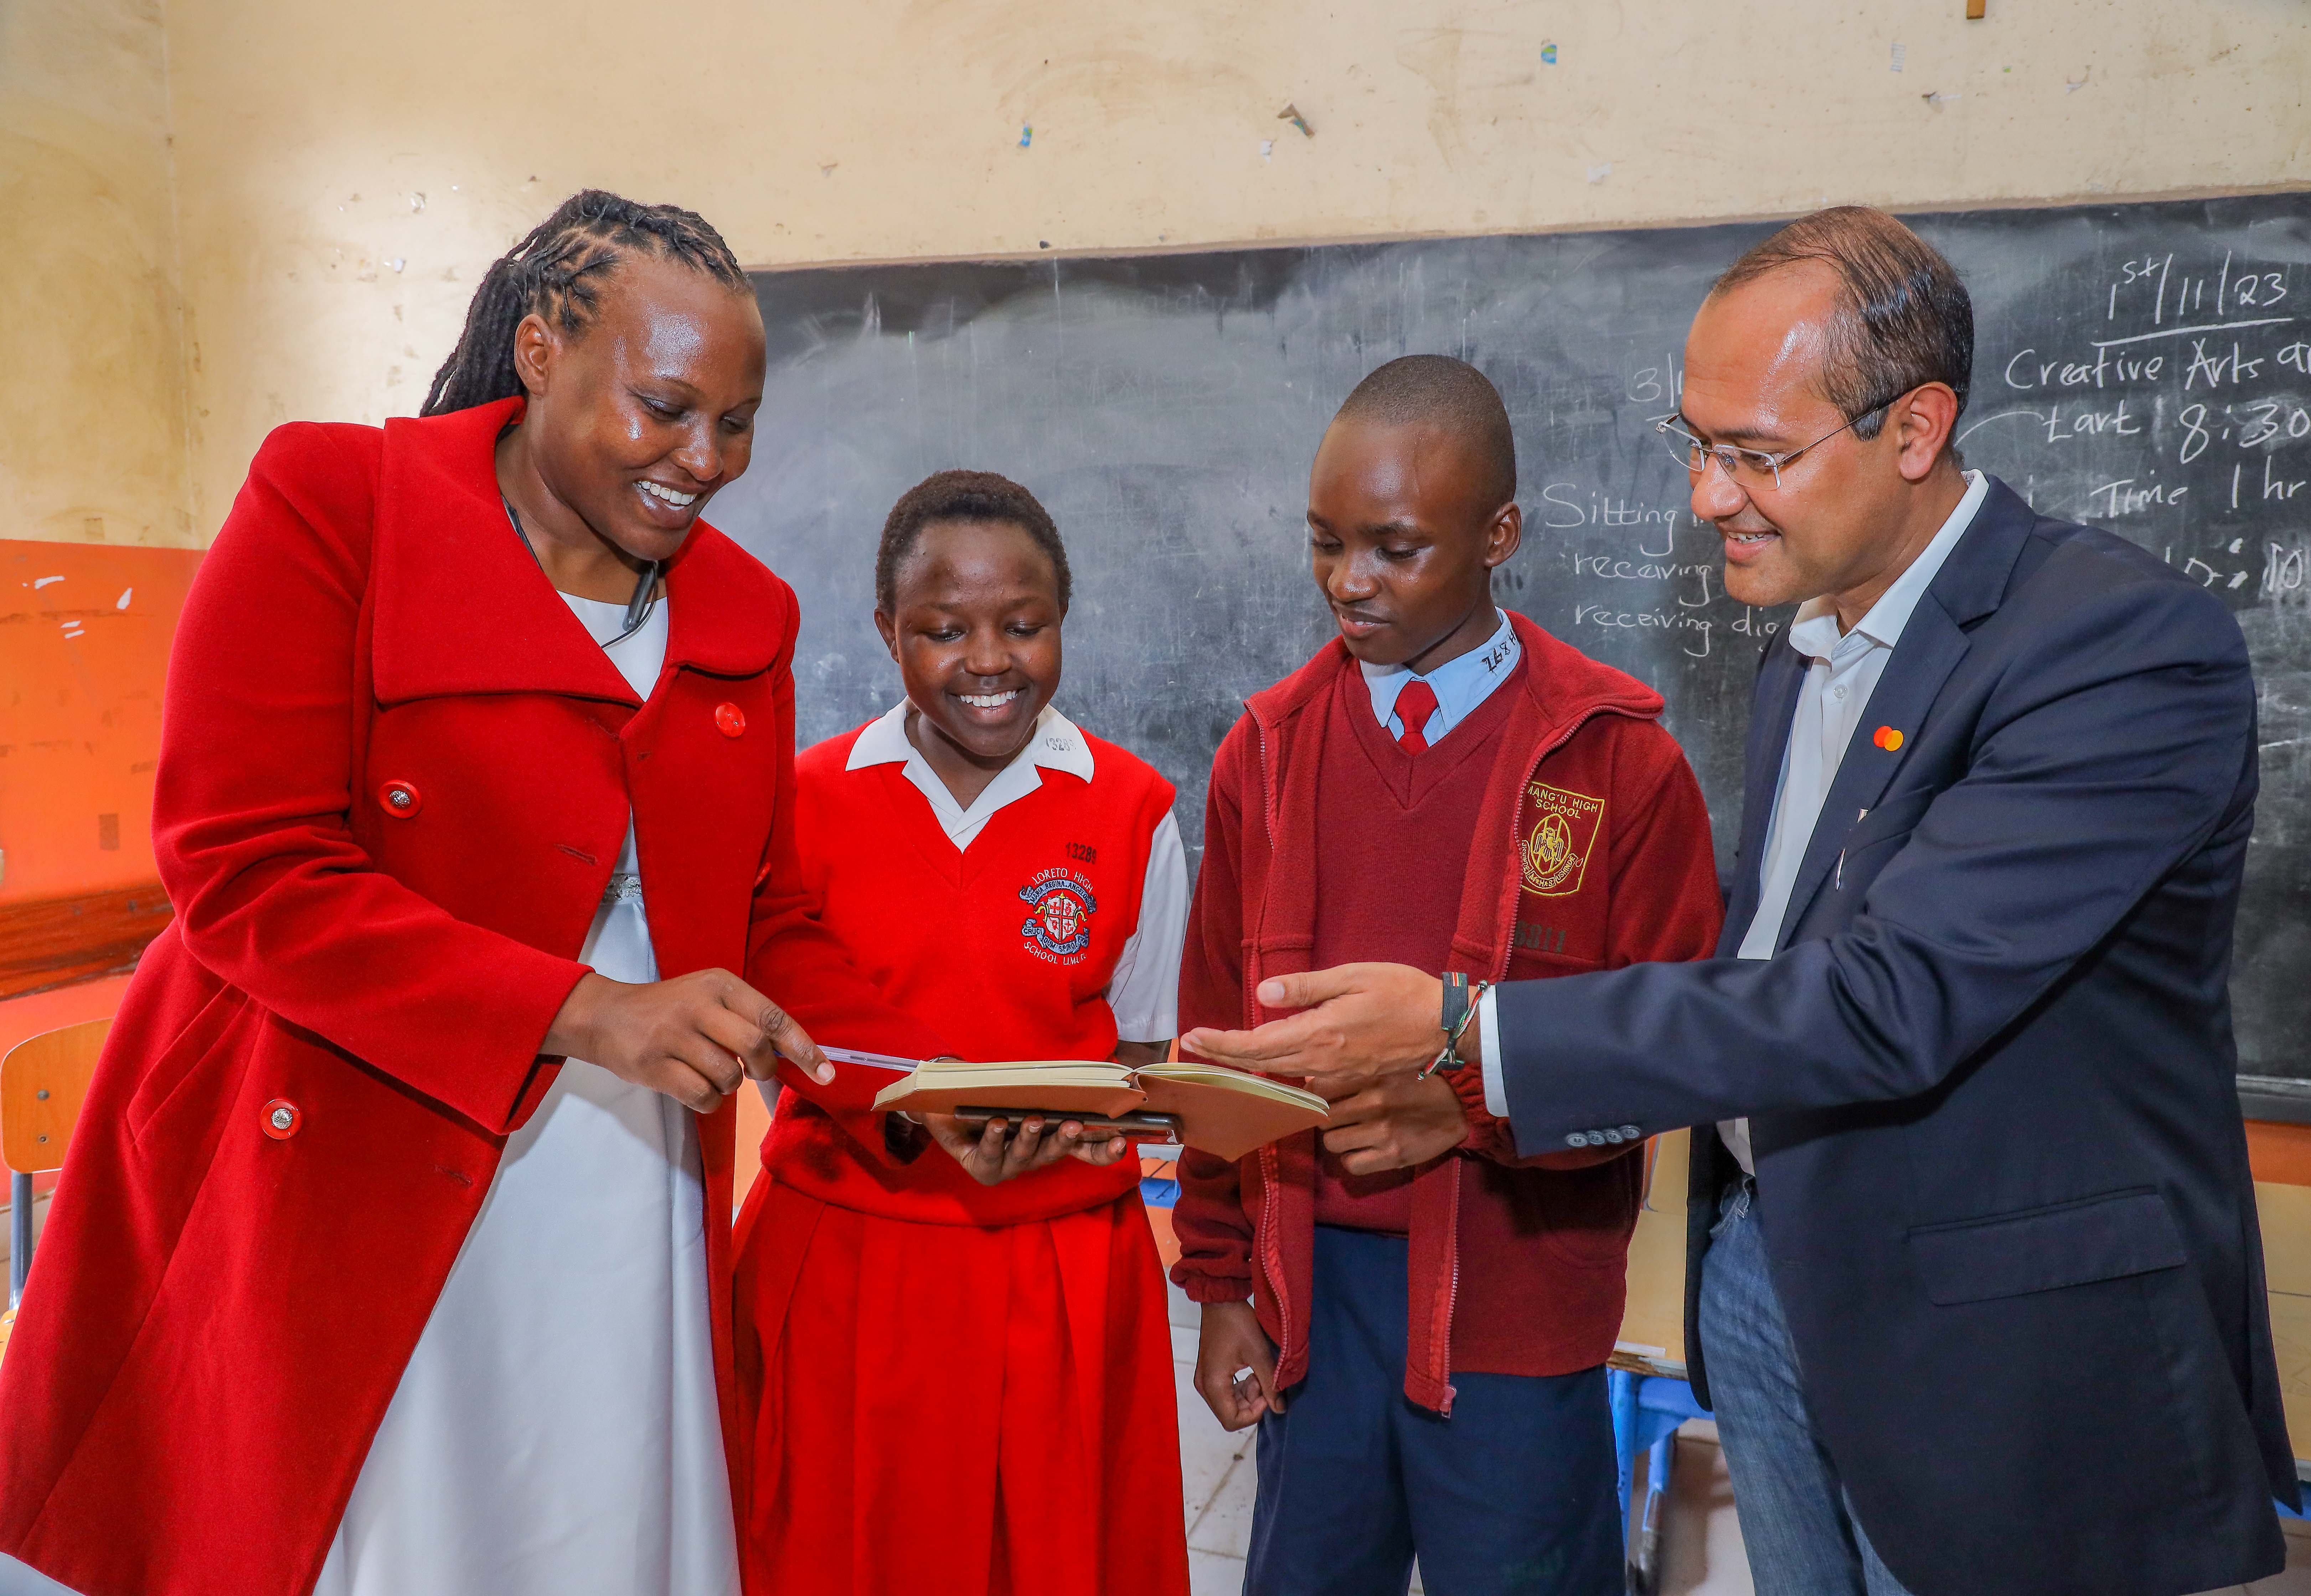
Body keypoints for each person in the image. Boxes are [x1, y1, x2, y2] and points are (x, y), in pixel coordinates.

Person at [1180, 209, 2297, 1596]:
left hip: (1990, 1348)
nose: (1708, 497)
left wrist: (1468, 1034)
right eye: (1696, 448)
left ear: (1912, 427)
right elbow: (1758, 974)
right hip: (1772, 1288)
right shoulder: (1805, 656)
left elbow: (1888, 996)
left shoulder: (2113, 648)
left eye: (1754, 455)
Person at [0, 191, 959, 1596]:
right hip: (347, 1147)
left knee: (587, 1515)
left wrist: (911, 1088)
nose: (706, 460)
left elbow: (764, 909)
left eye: (738, 422)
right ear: (537, 352)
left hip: (621, 1171)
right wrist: (581, 1009)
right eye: (663, 406)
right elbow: (246, 866)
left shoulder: (742, 613)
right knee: (385, 1516)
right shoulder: (339, 507)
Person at [1169, 356, 1723, 1595]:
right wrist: (1218, 1282)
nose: (1348, 583)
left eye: (1395, 549)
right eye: (1325, 542)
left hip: (1520, 1300)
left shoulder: (1616, 762)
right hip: (1313, 1296)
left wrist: (1470, 1104)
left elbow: (1678, 1039)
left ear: (1498, 536)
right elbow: (1212, 1046)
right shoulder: (1265, 755)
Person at [733, 469, 1193, 1596]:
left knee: (1049, 1557)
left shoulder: (1132, 810)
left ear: (1062, 625)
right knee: (833, 1552)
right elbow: (769, 1042)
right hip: (847, 1257)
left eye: (1024, 626)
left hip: (1057, 1267)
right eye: (944, 630)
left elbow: (1139, 1055)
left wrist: (1082, 1136)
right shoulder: (803, 799)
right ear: (889, 633)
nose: (990, 660)